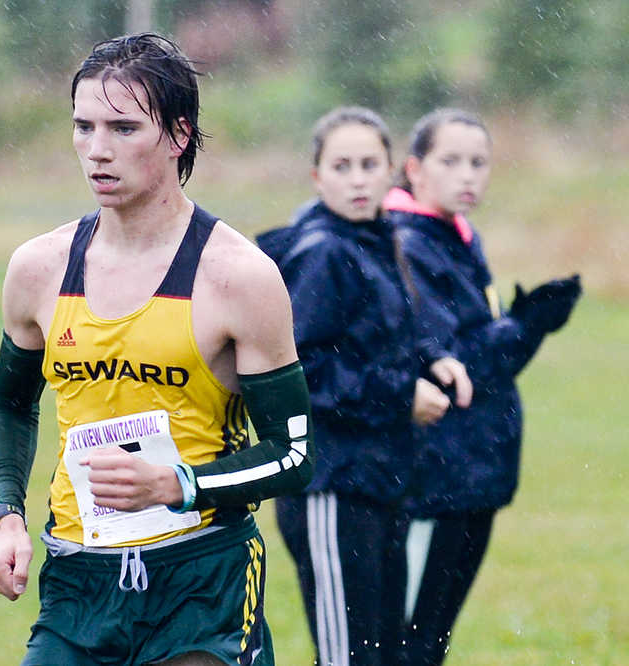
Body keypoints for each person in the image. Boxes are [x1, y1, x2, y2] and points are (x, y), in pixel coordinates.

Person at [0, 33, 315, 666]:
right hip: (79, 583)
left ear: (178, 135)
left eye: (124, 128)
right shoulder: (39, 268)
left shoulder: (239, 277)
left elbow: (296, 455)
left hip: (201, 583)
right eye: (83, 126)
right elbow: (9, 408)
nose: (97, 151)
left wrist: (177, 484)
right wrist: (7, 517)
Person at [256, 107, 471, 666]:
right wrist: (402, 396)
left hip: (380, 477)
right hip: (330, 486)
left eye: (368, 165)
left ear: (391, 172)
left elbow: (381, 337)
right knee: (349, 658)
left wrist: (434, 360)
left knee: (386, 654)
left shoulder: (379, 240)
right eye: (341, 165)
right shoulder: (322, 251)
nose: (356, 179)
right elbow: (302, 370)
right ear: (317, 177)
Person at [384, 108, 582, 665]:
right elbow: (452, 366)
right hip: (433, 475)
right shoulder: (409, 241)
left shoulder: (453, 234)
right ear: (414, 169)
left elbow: (471, 343)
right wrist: (527, 324)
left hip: (470, 469)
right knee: (408, 641)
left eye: (479, 162)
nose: (467, 175)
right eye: (450, 161)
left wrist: (518, 324)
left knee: (431, 637)